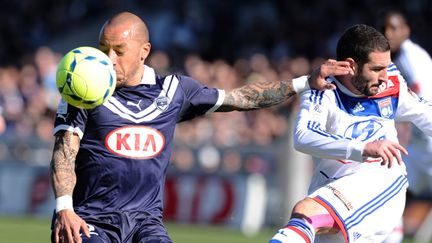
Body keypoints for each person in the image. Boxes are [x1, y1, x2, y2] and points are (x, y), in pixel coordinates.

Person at [49, 11, 351, 243]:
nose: (109, 58)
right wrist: (64, 207)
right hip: (90, 219)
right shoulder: (83, 88)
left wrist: (302, 83)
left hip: (145, 222)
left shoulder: (174, 90)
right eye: (104, 48)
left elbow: (240, 98)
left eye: (119, 49)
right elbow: (64, 152)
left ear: (144, 51)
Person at [269, 23, 432, 243]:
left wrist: (370, 151)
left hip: (381, 177)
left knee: (305, 213)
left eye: (387, 66)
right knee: (304, 218)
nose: (384, 76)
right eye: (375, 69)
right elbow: (304, 137)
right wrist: (363, 148)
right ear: (351, 66)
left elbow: (426, 115)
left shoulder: (391, 82)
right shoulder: (322, 89)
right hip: (332, 184)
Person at [382, 10, 432, 241]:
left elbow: (421, 100)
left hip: (428, 141)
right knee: (397, 191)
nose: (388, 34)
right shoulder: (397, 57)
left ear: (406, 31)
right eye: (384, 29)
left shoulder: (413, 59)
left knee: (399, 190)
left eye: (393, 28)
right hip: (421, 145)